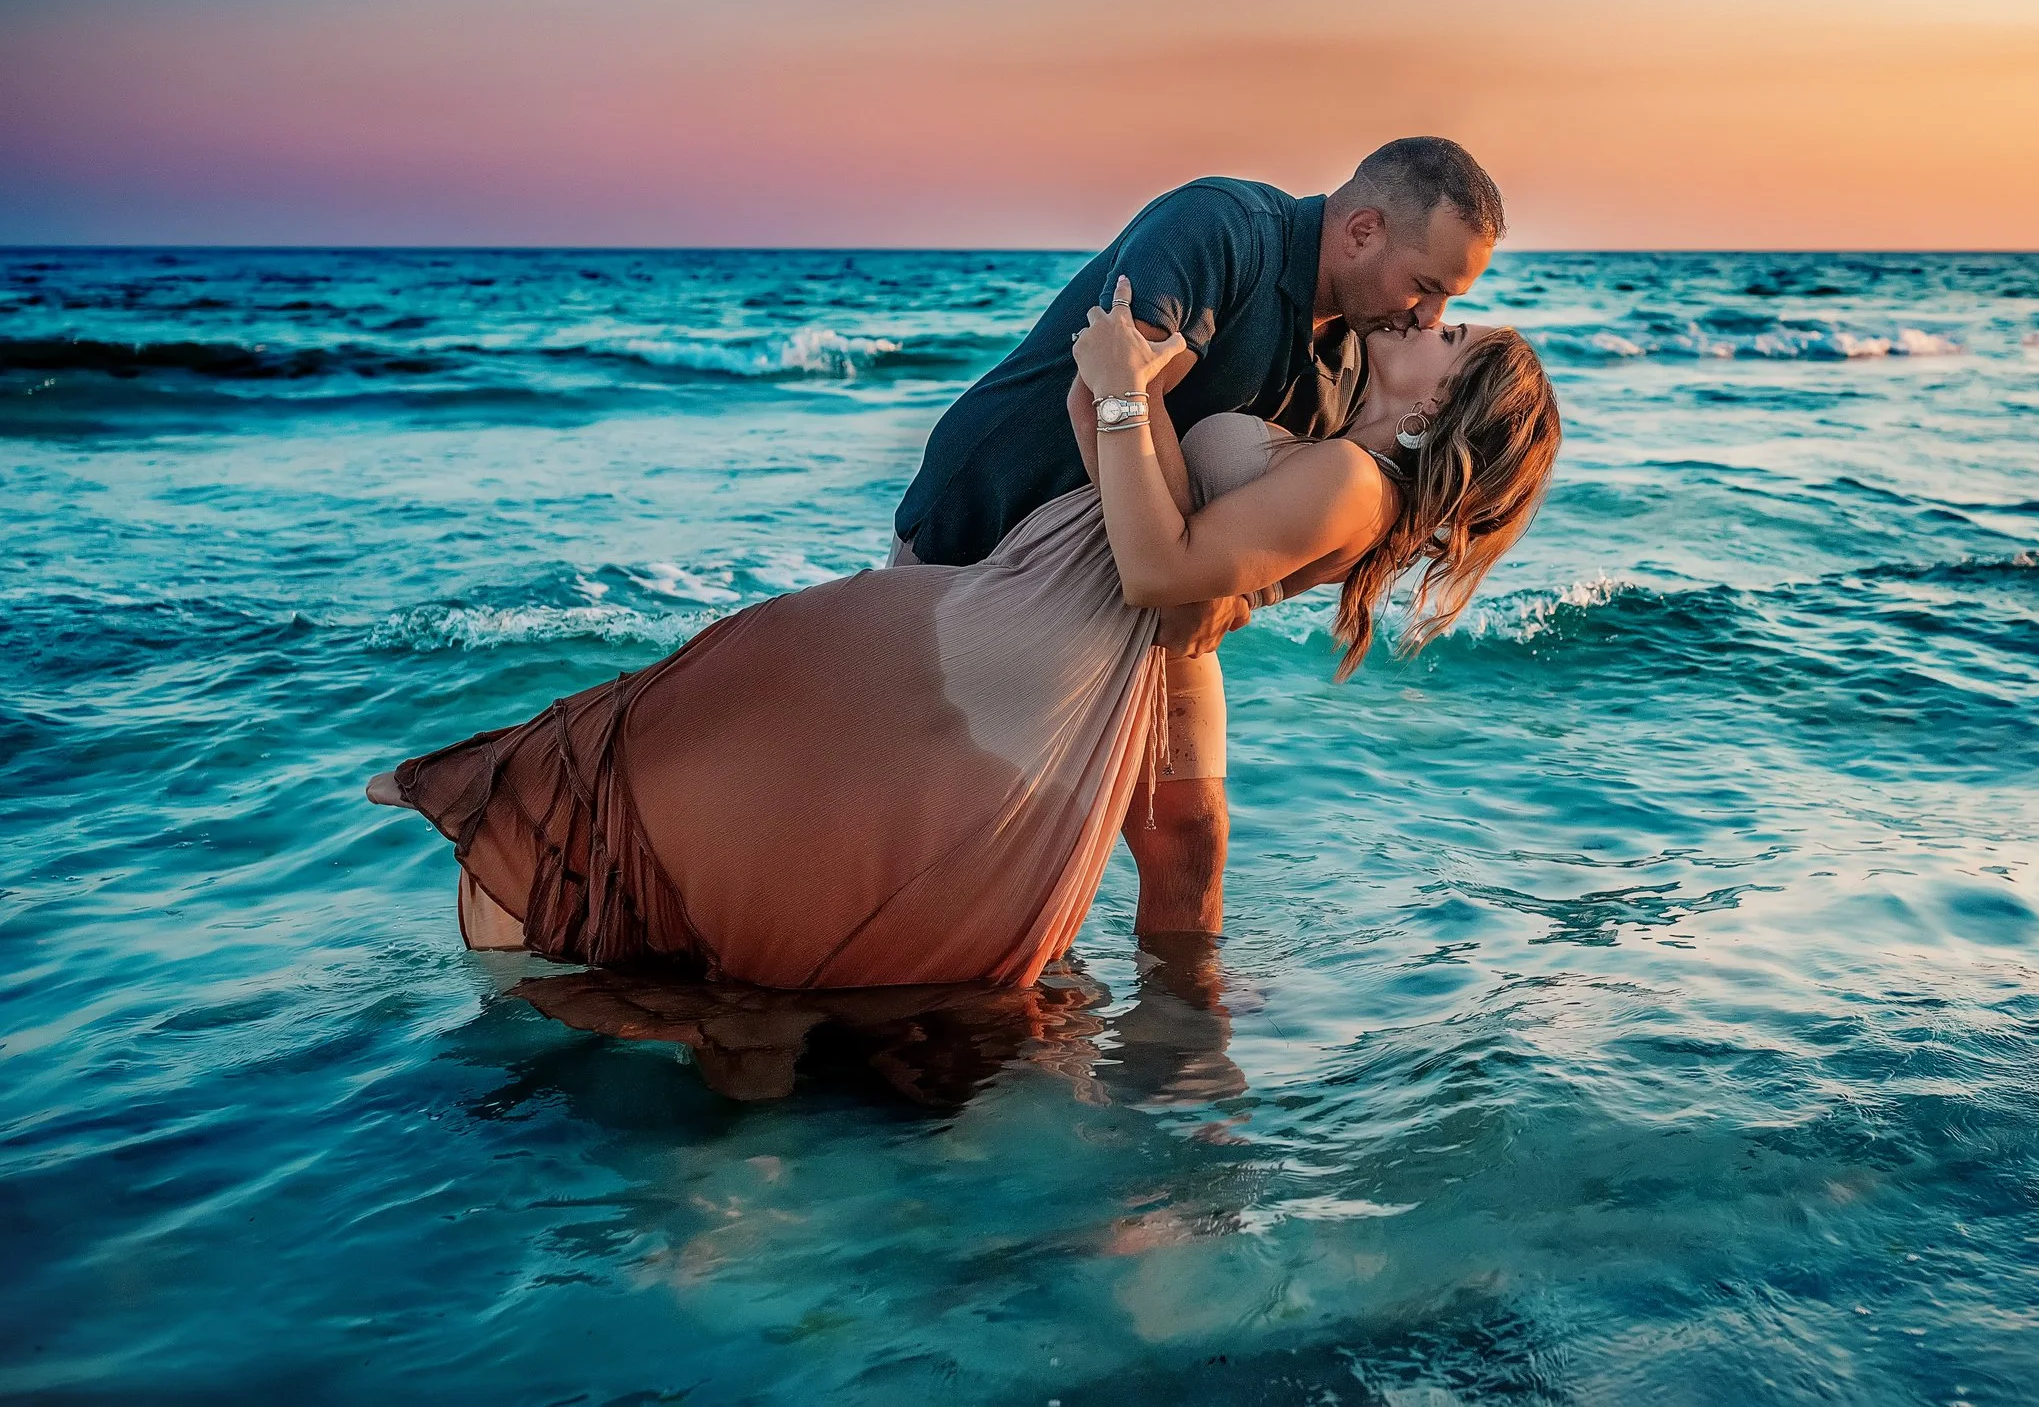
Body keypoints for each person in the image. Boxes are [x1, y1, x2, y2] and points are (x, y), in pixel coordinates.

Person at [366, 282, 1561, 995]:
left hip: (1026, 631)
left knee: (711, 721)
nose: (1428, 321)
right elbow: (1175, 566)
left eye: (1453, 342)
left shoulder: (1353, 480)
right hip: (1023, 613)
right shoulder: (1335, 450)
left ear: (1438, 413)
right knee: (744, 729)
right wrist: (1111, 395)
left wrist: (1126, 395)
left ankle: (575, 871)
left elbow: (1154, 570)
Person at [892, 137, 1506, 937]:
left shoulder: (1349, 366)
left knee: (1191, 831)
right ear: (1362, 230)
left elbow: (1253, 519)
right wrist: (1187, 574)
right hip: (980, 532)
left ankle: (1183, 1030)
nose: (1431, 317)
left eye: (1448, 305)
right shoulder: (1222, 229)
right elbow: (1106, 395)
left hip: (1132, 587)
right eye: (1426, 287)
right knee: (965, 831)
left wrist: (1211, 580)